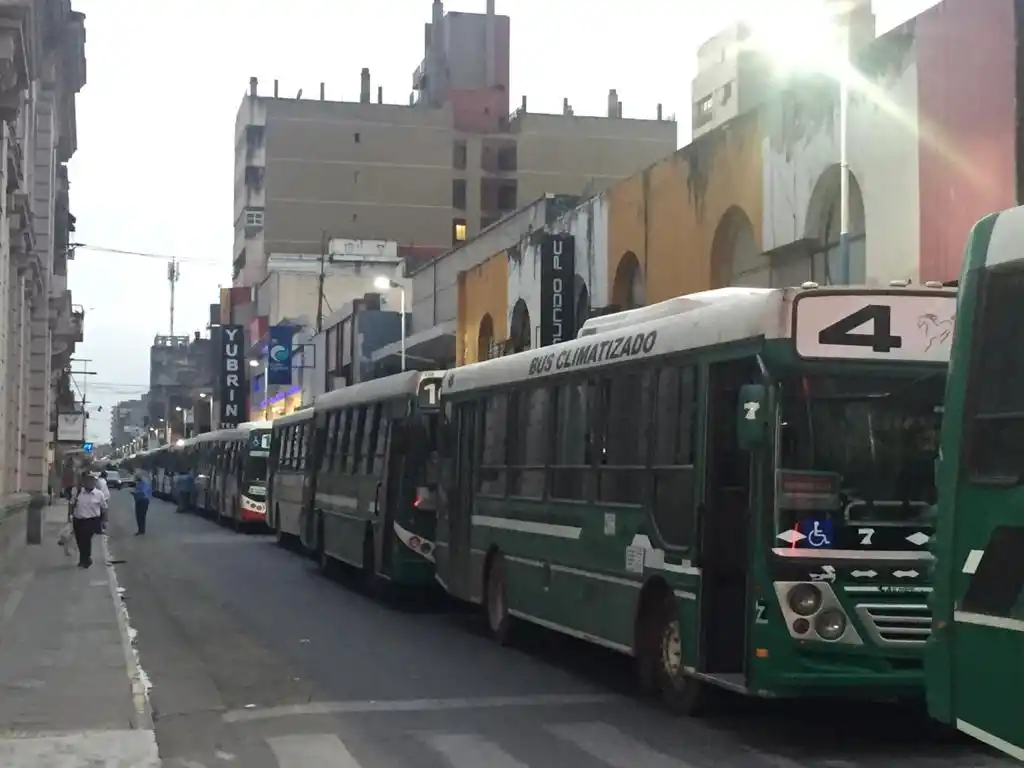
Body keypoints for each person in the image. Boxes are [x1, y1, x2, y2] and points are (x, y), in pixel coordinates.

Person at [71, 472, 107, 568]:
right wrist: (69, 516)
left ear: (95, 483)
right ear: (84, 482)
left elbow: (104, 508)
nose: (90, 484)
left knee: (86, 539)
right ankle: (83, 559)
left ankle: (86, 558)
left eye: (92, 482)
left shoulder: (99, 494)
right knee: (79, 540)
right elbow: (72, 504)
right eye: (88, 481)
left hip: (91, 520)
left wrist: (104, 521)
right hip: (78, 519)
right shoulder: (78, 492)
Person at [131, 471, 152, 535]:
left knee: (139, 516)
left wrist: (134, 493)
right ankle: (141, 530)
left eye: (135, 478)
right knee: (142, 516)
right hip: (144, 501)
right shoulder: (144, 484)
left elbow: (141, 493)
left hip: (141, 501)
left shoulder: (141, 485)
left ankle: (141, 530)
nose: (134, 479)